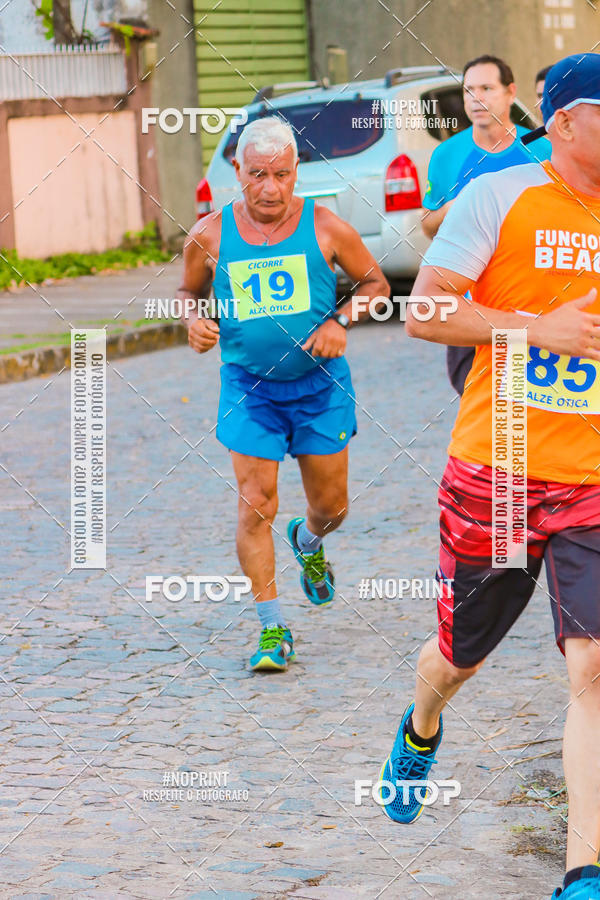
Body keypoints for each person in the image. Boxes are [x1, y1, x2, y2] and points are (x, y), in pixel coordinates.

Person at [380, 53, 600, 900]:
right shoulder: (498, 195)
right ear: (567, 121)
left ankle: (582, 868)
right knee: (458, 656)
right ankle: (422, 721)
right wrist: (535, 329)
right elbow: (425, 311)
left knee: (592, 667)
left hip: (591, 478)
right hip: (499, 471)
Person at [178, 117, 389, 672]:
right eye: (256, 175)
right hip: (249, 388)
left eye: (281, 174)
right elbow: (187, 290)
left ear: (298, 172)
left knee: (332, 506)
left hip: (320, 386)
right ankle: (272, 627)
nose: (269, 189)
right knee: (255, 503)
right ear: (236, 172)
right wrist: (193, 319)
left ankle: (309, 540)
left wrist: (342, 320)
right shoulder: (209, 234)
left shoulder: (326, 227)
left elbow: (377, 285)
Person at [421, 55, 552, 395]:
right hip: (469, 306)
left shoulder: (543, 147)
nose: (476, 98)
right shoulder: (446, 154)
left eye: (486, 88)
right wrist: (457, 207)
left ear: (510, 92)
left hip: (532, 302)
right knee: (480, 401)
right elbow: (428, 224)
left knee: (530, 407)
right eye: (469, 90)